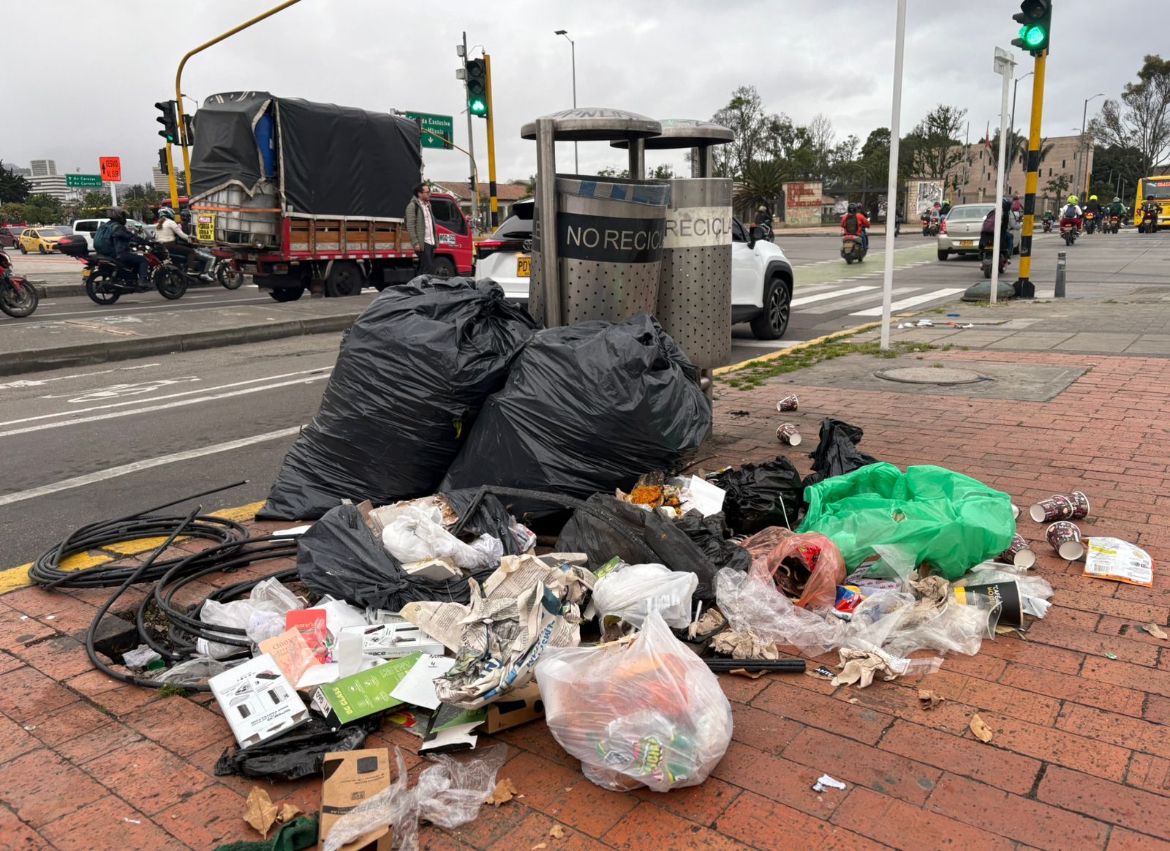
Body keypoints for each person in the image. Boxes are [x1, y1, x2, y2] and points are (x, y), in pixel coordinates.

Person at [155, 207, 213, 281]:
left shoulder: (158, 224)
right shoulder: (171, 222)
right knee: (191, 252)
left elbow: (156, 237)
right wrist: (191, 239)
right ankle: (190, 270)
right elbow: (181, 234)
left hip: (162, 247)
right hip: (171, 245)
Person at [107, 207, 150, 288]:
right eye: (123, 215)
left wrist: (130, 244)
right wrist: (146, 242)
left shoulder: (106, 225)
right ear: (119, 215)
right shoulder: (118, 227)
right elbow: (130, 237)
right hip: (119, 253)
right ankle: (143, 280)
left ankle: (130, 280)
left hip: (109, 253)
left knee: (133, 259)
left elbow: (118, 239)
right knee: (143, 260)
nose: (124, 218)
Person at [405, 183, 436, 275]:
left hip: (431, 242)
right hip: (422, 243)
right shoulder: (412, 206)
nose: (429, 194)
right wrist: (415, 243)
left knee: (423, 269)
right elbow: (410, 225)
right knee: (429, 269)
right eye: (427, 192)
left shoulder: (428, 206)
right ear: (420, 194)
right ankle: (426, 288)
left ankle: (417, 287)